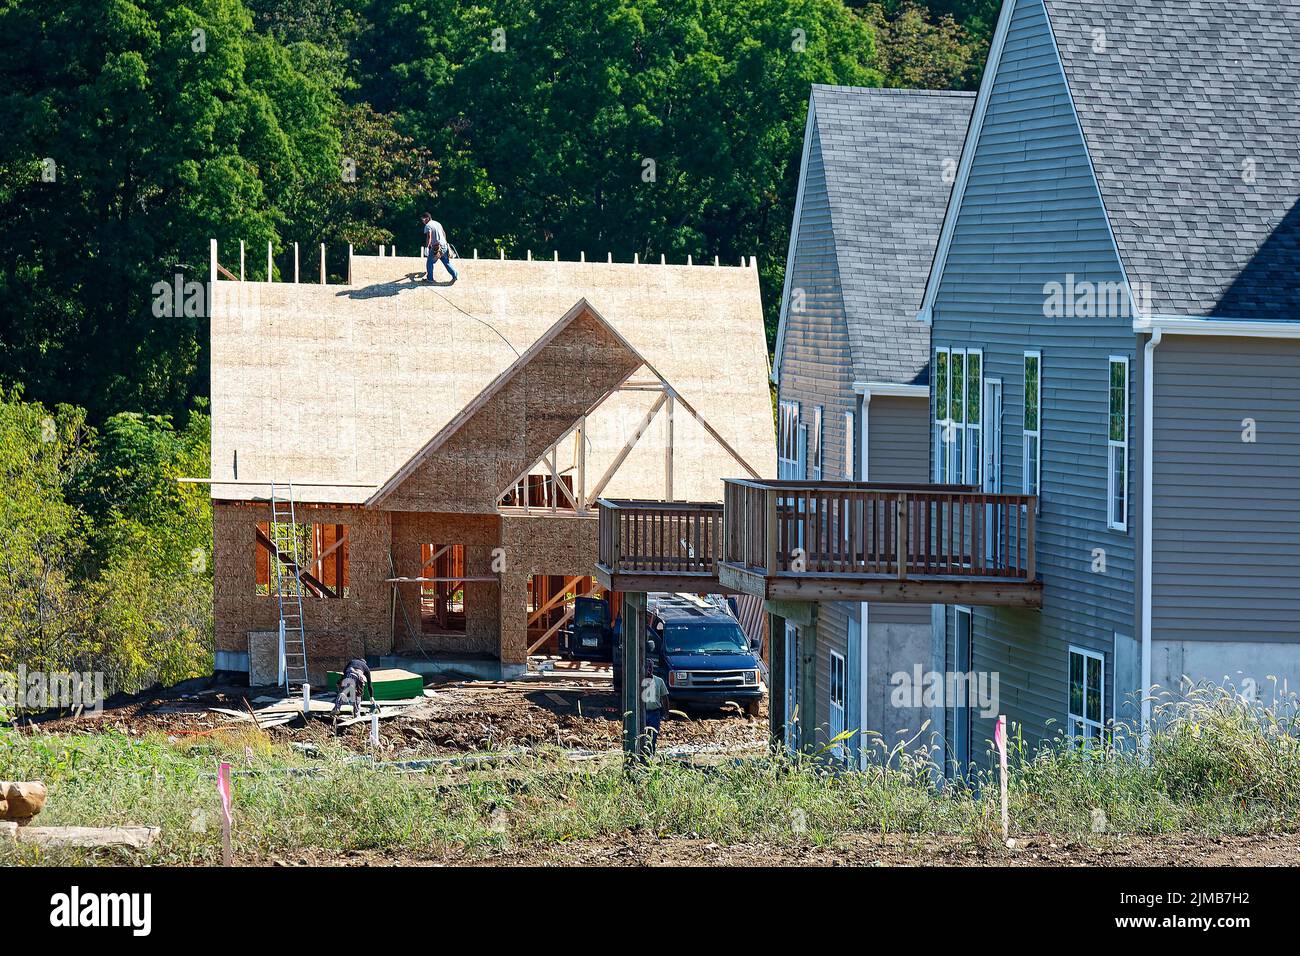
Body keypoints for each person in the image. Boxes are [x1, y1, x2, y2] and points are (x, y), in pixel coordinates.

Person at [640, 659, 670, 756]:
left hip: (654, 713)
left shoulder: (659, 681)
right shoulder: (639, 680)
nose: (648, 670)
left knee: (652, 736)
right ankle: (641, 755)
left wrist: (666, 713)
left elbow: (664, 697)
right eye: (646, 667)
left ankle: (650, 756)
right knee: (641, 736)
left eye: (650, 668)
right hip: (642, 712)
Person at [421, 212, 458, 283]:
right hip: (444, 245)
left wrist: (427, 247)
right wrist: (446, 243)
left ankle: (430, 279)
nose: (423, 221)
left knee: (430, 262)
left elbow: (429, 237)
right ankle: (455, 275)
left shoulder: (428, 226)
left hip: (436, 247)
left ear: (427, 218)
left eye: (423, 219)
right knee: (446, 262)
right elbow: (444, 233)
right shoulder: (438, 223)